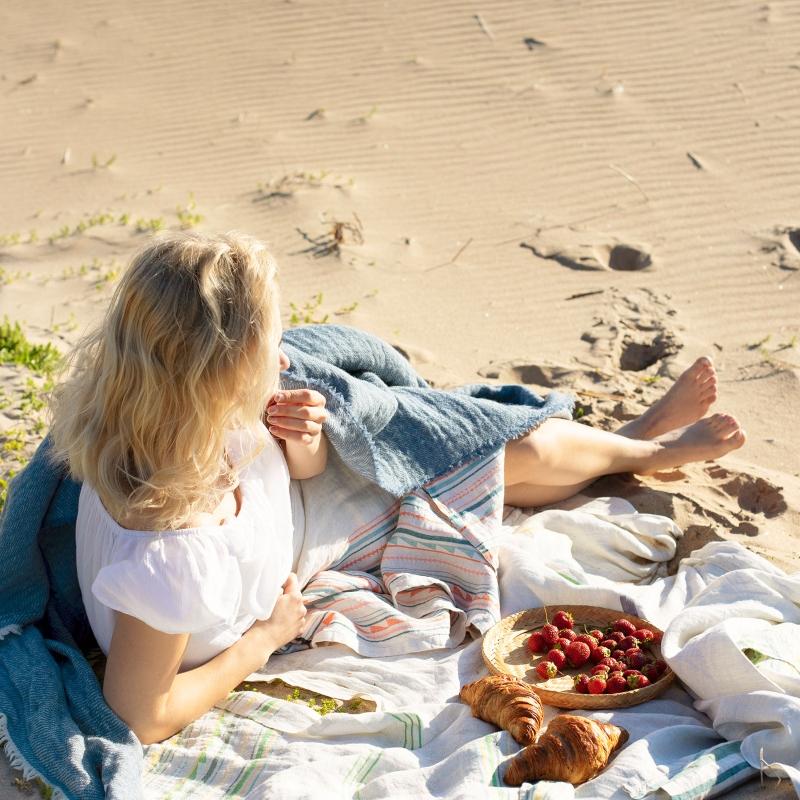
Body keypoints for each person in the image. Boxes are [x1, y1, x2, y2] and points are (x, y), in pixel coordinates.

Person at [46, 230, 744, 745]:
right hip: (314, 554)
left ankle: (639, 440)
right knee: (493, 460)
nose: (285, 359)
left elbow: (300, 475)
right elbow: (141, 714)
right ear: (220, 371)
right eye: (268, 349)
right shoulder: (171, 553)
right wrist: (265, 640)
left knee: (476, 443)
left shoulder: (174, 414)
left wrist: (304, 437)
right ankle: (643, 446)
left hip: (299, 517)